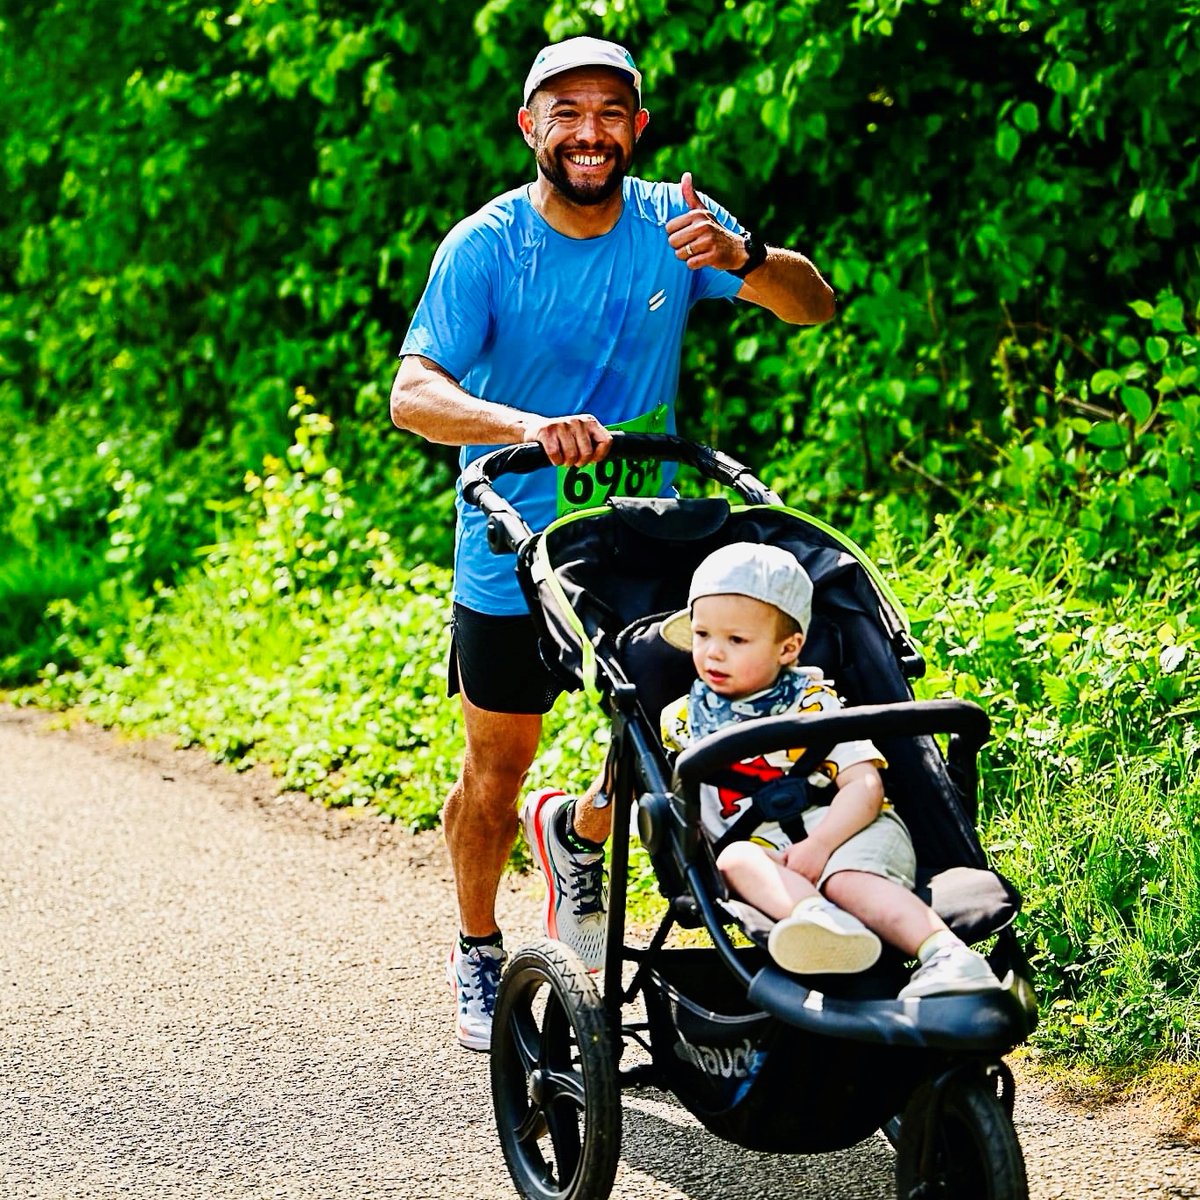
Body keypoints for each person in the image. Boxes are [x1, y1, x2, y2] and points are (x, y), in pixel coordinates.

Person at [389, 34, 836, 1051]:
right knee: (497, 770)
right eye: (566, 113)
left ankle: (583, 828)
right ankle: (476, 947)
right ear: (530, 127)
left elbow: (815, 306)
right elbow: (412, 395)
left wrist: (748, 259)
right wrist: (519, 426)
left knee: (673, 724)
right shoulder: (487, 244)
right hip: (510, 539)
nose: (589, 133)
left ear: (636, 127)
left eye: (609, 113)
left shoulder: (676, 223)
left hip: (644, 532)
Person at [657, 541, 1004, 998]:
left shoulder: (814, 705)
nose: (713, 654)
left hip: (849, 830)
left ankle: (948, 955)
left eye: (736, 640)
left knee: (846, 881)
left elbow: (864, 784)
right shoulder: (681, 720)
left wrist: (821, 846)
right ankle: (822, 924)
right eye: (702, 636)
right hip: (765, 851)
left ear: (789, 648)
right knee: (733, 859)